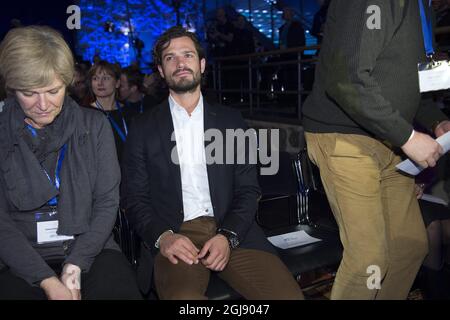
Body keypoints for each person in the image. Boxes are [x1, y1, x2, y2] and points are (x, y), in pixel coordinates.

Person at [121, 26, 304, 300]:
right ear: (160, 70)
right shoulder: (142, 128)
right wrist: (164, 237)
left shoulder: (231, 122)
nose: (180, 63)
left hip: (232, 229)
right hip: (176, 235)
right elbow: (134, 198)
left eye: (188, 55)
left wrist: (227, 236)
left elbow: (248, 189)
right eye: (170, 58)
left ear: (202, 64)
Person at [302, 0, 450, 299]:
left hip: (391, 141)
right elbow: (347, 79)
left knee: (409, 246)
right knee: (369, 260)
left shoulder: (422, 7)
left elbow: (406, 84)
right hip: (346, 137)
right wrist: (408, 136)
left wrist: (436, 122)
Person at [0, 26, 141, 300]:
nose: (43, 104)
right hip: (19, 257)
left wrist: (75, 265)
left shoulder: (94, 125)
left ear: (66, 82)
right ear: (13, 88)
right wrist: (47, 281)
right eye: (29, 93)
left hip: (90, 247)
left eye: (53, 91)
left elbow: (107, 203)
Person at [88, 60, 128, 162]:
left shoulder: (129, 113)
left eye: (106, 78)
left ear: (117, 83)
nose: (100, 83)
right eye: (95, 78)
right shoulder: (84, 114)